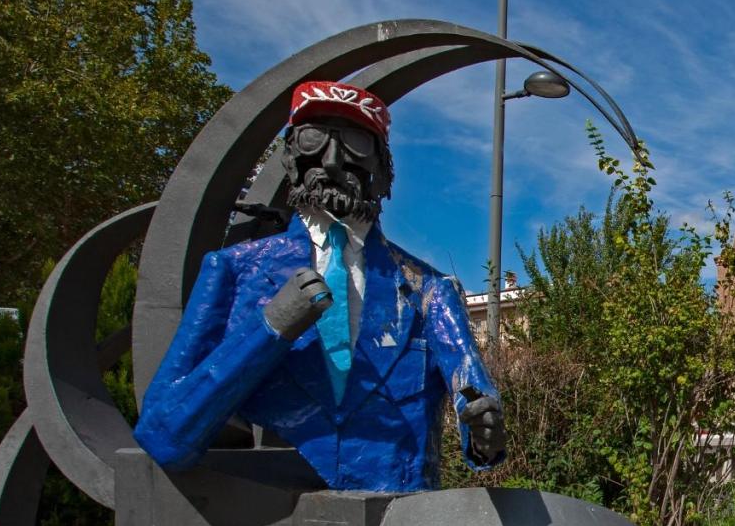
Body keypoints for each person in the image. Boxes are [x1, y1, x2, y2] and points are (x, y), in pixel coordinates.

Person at [134, 80, 504, 492]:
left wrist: (482, 425)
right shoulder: (236, 272)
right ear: (290, 160)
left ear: (383, 171)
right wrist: (270, 327)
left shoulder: (429, 290)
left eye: (354, 146)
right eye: (314, 141)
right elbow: (163, 437)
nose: (330, 162)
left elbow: (473, 394)